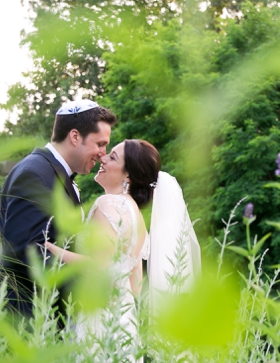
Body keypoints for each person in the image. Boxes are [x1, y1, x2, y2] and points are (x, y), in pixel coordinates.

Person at [43, 139, 201, 350]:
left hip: (99, 321)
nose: (103, 157)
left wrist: (51, 248)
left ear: (128, 175)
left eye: (112, 157)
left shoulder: (108, 204)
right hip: (125, 323)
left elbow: (100, 266)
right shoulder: (138, 219)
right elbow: (135, 285)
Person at [0, 99, 115, 322]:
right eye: (100, 144)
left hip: (50, 316)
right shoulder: (35, 174)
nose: (103, 153)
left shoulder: (52, 172)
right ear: (75, 136)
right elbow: (27, 253)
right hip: (28, 319)